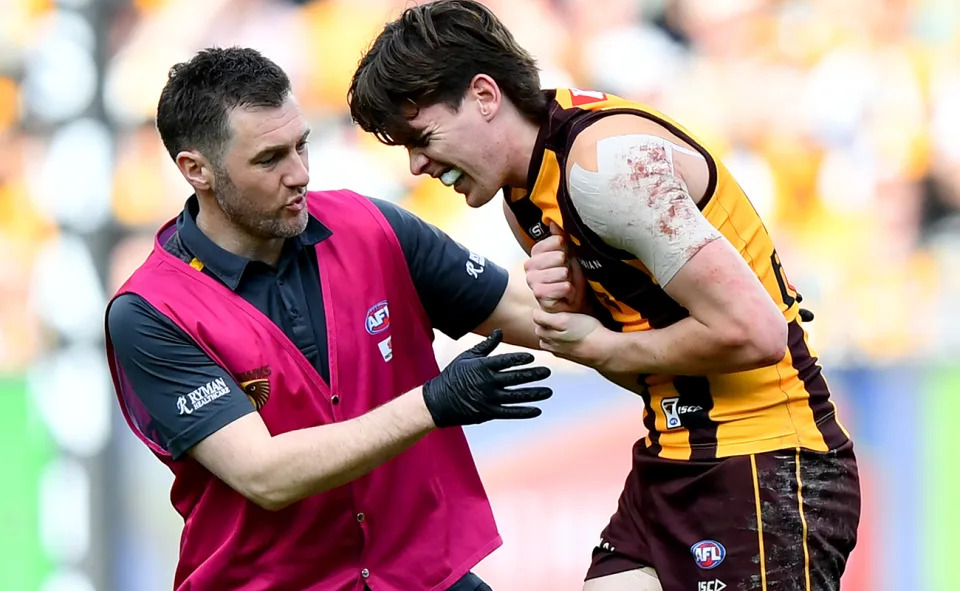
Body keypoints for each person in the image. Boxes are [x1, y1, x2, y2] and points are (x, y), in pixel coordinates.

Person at [347, 2, 861, 590]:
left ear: (485, 96)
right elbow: (651, 364)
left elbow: (757, 333)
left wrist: (601, 347)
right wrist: (579, 315)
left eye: (423, 136)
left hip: (767, 460)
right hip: (672, 459)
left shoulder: (607, 167)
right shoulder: (525, 191)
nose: (416, 165)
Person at [104, 46, 555, 591]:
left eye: (302, 146)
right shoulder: (149, 312)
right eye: (270, 159)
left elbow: (538, 317)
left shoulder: (373, 225)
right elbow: (263, 475)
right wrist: (433, 403)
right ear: (196, 170)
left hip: (422, 576)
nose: (299, 175)